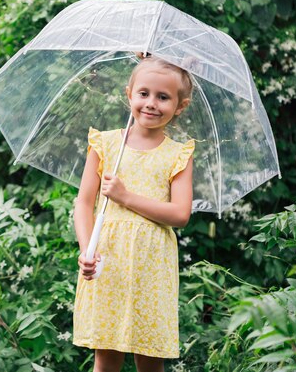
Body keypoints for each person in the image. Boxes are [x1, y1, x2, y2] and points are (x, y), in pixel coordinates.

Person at [72, 54, 195, 372]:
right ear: (129, 94)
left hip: (151, 267)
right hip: (108, 260)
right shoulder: (106, 145)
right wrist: (88, 249)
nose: (151, 103)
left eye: (163, 97)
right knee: (106, 356)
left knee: (149, 357)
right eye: (144, 93)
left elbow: (180, 214)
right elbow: (84, 203)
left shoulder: (177, 154)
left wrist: (126, 196)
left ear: (179, 106)